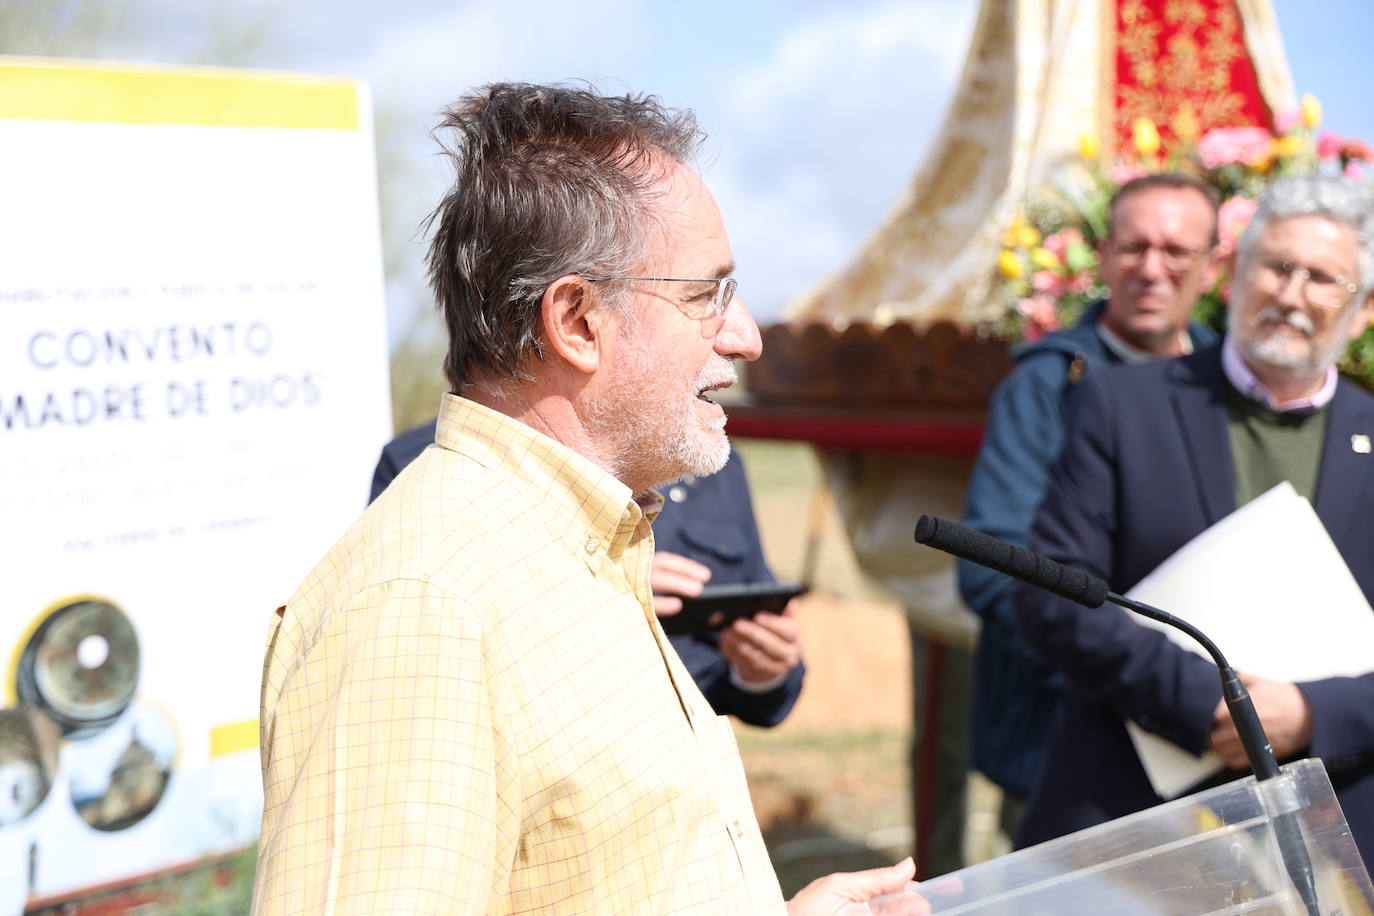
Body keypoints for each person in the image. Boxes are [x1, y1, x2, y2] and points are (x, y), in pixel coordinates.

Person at [251, 83, 921, 915]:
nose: (746, 335)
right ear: (578, 322)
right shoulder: (419, 608)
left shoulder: (585, 544)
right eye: (705, 294)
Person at [1014, 174, 1374, 865]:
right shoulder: (1121, 406)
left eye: (1323, 278)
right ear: (1235, 274)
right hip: (1135, 818)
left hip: (1335, 830)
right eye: (1276, 266)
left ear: (1360, 312)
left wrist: (1312, 715)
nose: (1291, 294)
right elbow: (1053, 595)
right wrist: (1207, 701)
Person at [959, 174, 1222, 828]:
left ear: (1213, 267)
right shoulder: (1046, 386)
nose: (1152, 270)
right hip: (1071, 723)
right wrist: (1124, 663)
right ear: (1101, 257)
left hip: (1216, 726)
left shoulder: (1233, 381)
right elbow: (993, 568)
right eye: (1133, 248)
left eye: (1177, 251)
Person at [373, 430, 805, 726]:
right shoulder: (422, 460)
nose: (742, 340)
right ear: (577, 324)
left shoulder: (717, 467)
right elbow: (402, 664)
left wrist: (763, 674)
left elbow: (765, 702)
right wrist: (597, 582)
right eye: (694, 302)